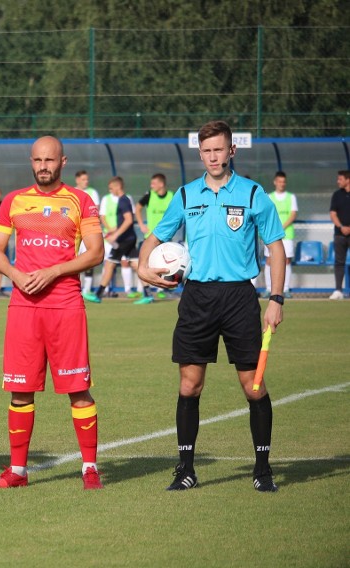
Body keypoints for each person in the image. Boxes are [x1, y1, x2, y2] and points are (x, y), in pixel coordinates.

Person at [137, 120, 285, 492]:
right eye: (207, 151)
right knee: (190, 385)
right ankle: (186, 469)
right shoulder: (186, 196)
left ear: (231, 151)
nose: (213, 156)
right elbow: (155, 237)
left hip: (239, 297)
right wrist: (142, 266)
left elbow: (276, 247)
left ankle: (262, 469)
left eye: (219, 149)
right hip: (197, 298)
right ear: (200, 153)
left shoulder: (253, 194)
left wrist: (276, 298)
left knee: (253, 387)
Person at [0, 135, 105, 490]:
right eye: (37, 160)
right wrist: (17, 275)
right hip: (23, 307)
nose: (43, 167)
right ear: (31, 161)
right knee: (20, 391)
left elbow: (95, 252)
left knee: (78, 389)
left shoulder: (80, 201)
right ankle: (18, 471)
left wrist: (53, 272)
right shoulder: (14, 201)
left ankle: (89, 468)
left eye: (49, 160)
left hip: (66, 305)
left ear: (62, 162)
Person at [83, 176, 137, 303]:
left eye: (111, 188)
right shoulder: (125, 200)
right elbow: (125, 220)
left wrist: (116, 234)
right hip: (129, 238)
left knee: (109, 264)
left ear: (118, 187)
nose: (110, 191)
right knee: (136, 264)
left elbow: (129, 220)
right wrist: (113, 230)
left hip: (123, 240)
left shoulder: (123, 201)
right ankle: (148, 294)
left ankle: (98, 294)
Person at [132, 173, 174, 304]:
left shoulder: (172, 196)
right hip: (150, 238)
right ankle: (147, 293)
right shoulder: (149, 195)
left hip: (166, 238)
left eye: (154, 183)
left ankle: (162, 291)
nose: (151, 186)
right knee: (139, 264)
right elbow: (137, 209)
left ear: (161, 184)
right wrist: (141, 225)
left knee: (165, 266)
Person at [262, 171, 297, 298]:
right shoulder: (269, 197)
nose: (282, 184)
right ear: (275, 182)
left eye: (284, 182)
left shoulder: (291, 197)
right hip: (271, 235)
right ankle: (269, 288)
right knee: (269, 260)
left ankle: (285, 289)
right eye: (279, 181)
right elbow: (265, 215)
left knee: (286, 261)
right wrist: (274, 230)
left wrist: (281, 228)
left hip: (287, 234)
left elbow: (293, 214)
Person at [75, 170, 101, 294]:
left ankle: (87, 289)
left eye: (87, 179)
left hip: (87, 231)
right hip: (74, 233)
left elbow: (95, 211)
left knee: (88, 260)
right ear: (77, 180)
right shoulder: (72, 192)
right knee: (74, 260)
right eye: (84, 179)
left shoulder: (92, 193)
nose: (86, 181)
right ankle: (75, 288)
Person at [328, 170, 350, 300]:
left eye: (340, 179)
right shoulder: (336, 195)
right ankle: (338, 290)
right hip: (339, 235)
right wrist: (342, 227)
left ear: (348, 180)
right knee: (339, 262)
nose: (338, 181)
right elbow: (333, 213)